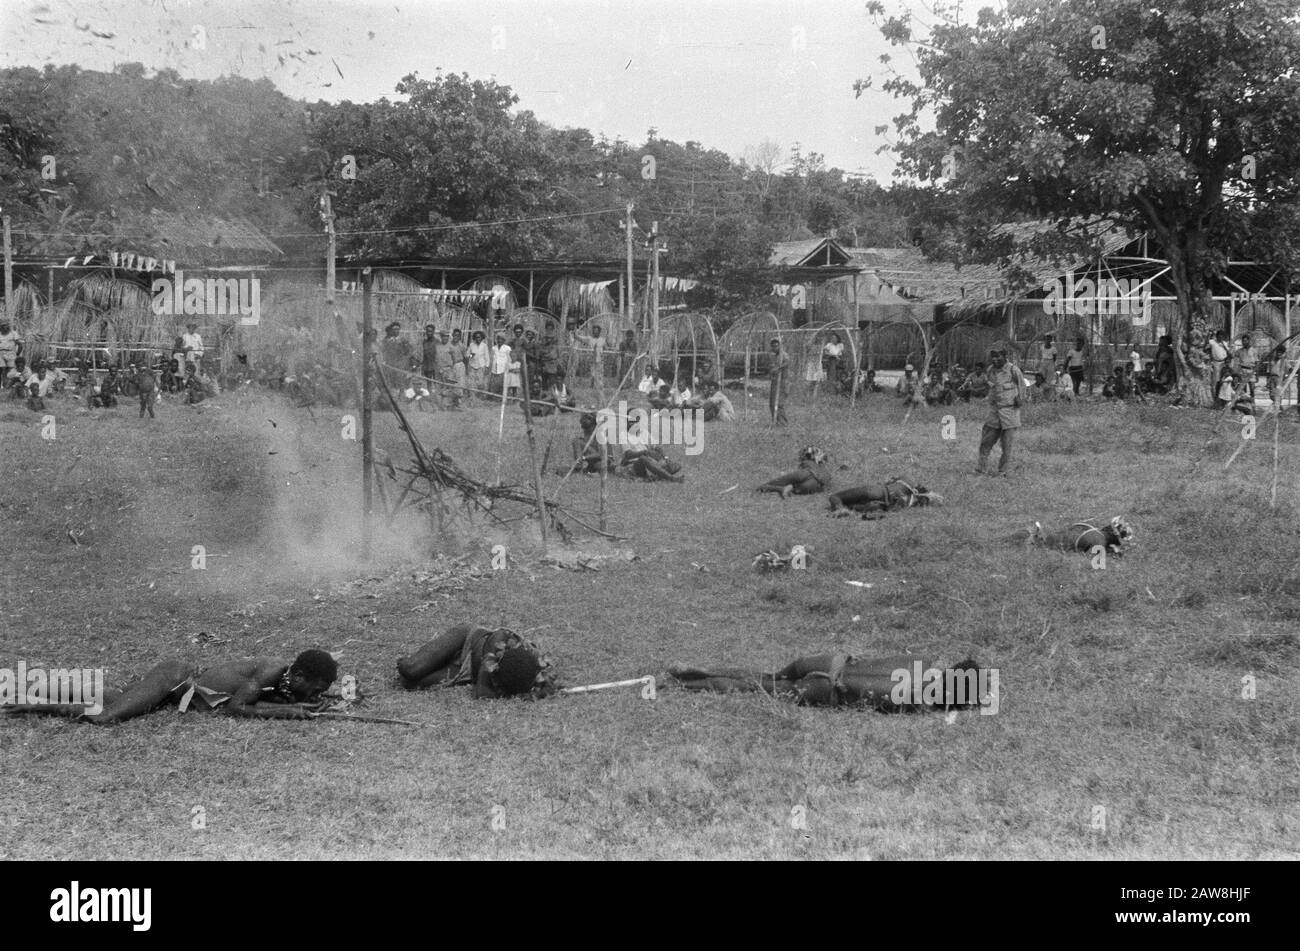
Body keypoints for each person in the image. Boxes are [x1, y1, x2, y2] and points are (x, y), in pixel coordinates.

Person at [3, 650, 339, 724]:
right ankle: (37, 704)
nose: (317, 694)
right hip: (173, 679)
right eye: (317, 688)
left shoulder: (286, 680)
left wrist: (304, 704)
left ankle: (17, 686)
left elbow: (254, 703)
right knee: (107, 717)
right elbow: (238, 708)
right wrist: (292, 710)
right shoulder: (270, 670)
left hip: (175, 692)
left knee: (109, 696)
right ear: (297, 676)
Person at [668, 653, 983, 711]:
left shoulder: (922, 660)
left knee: (766, 676)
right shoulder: (922, 705)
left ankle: (696, 671)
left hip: (831, 662)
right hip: (828, 690)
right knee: (758, 689)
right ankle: (681, 687)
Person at [396, 624, 559, 699]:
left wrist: (530, 692)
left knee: (411, 684)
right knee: (410, 669)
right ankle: (409, 659)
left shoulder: (528, 670)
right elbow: (483, 693)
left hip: (464, 670)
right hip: (464, 640)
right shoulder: (500, 638)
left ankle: (436, 663)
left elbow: (484, 694)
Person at [974, 348, 1024, 476]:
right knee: (986, 442)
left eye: (998, 356)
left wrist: (1020, 398)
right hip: (995, 412)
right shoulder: (990, 370)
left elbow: (1022, 388)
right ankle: (981, 469)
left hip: (1010, 412)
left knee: (1007, 446)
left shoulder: (1014, 370)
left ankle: (1003, 471)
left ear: (1005, 355)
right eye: (993, 357)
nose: (995, 359)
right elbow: (991, 386)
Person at [757, 446, 833, 498]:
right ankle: (788, 488)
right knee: (796, 488)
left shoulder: (808, 462)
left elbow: (799, 473)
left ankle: (771, 488)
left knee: (772, 483)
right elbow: (827, 485)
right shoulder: (825, 470)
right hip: (816, 485)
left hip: (806, 473)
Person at [435, 330, 461, 408]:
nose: (445, 338)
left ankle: (452, 404)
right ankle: (440, 404)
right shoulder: (437, 346)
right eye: (443, 336)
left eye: (447, 336)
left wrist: (451, 369)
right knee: (439, 387)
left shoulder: (450, 346)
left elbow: (455, 359)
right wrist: (439, 368)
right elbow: (435, 358)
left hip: (448, 369)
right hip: (439, 370)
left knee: (449, 387)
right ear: (441, 337)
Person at [767, 337, 789, 424]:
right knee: (772, 403)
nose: (774, 348)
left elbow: (787, 362)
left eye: (776, 346)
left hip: (782, 382)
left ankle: (783, 422)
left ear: (780, 346)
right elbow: (771, 367)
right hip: (774, 382)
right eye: (773, 346)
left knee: (779, 403)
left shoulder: (783, 355)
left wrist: (778, 368)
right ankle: (776, 420)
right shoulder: (773, 356)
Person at [467, 330, 491, 398]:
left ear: (482, 338)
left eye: (479, 337)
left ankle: (480, 397)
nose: (478, 339)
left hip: (481, 366)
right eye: (476, 337)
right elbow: (467, 355)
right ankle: (472, 396)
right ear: (474, 338)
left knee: (480, 382)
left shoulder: (484, 346)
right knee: (472, 382)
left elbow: (487, 357)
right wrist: (471, 355)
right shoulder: (471, 345)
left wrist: (487, 367)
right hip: (472, 366)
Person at [0, 319, 21, 388]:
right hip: (1, 353)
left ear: (8, 326)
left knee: (11, 369)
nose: (4, 327)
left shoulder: (13, 333)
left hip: (11, 353)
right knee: (1, 368)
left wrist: (17, 354)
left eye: (6, 325)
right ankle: (1, 385)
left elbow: (20, 345)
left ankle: (9, 384)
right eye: (3, 325)